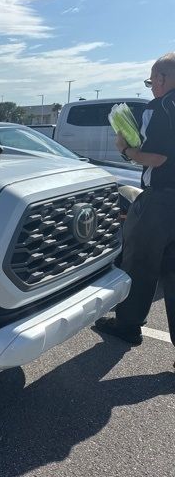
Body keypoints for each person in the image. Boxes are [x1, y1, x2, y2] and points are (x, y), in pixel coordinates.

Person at [94, 52, 175, 366]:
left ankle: (127, 325)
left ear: (161, 79)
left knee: (138, 263)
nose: (151, 87)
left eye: (151, 81)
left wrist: (126, 149)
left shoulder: (161, 108)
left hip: (161, 201)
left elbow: (156, 158)